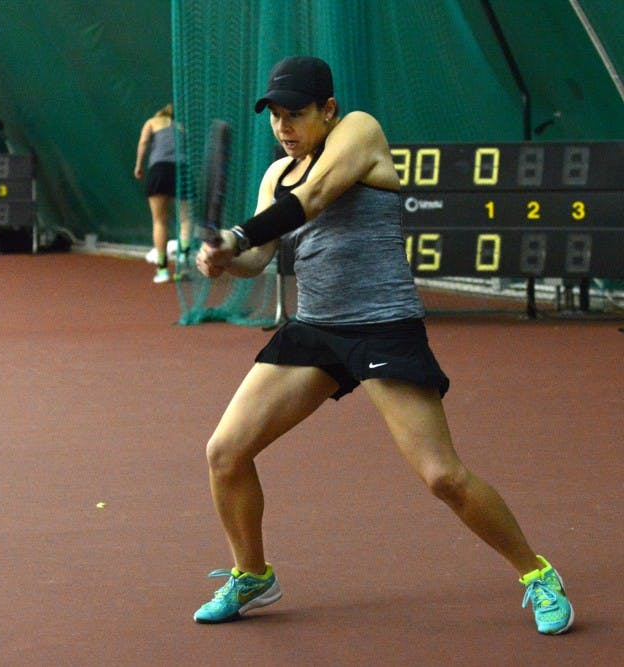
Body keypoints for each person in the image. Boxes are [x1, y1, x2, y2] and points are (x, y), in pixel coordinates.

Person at [192, 56, 574, 635]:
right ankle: (252, 574)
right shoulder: (276, 175)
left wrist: (241, 232)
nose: (283, 127)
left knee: (442, 476)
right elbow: (258, 259)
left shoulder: (360, 131)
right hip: (315, 330)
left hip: (382, 326)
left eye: (295, 114)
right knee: (225, 453)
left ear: (328, 109)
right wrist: (225, 257)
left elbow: (317, 196)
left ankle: (537, 573)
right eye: (274, 116)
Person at [134, 104, 192, 283]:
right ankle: (183, 263)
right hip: (183, 170)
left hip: (160, 170)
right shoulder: (181, 128)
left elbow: (143, 142)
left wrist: (138, 166)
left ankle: (162, 270)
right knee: (186, 219)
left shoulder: (152, 122)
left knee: (160, 221)